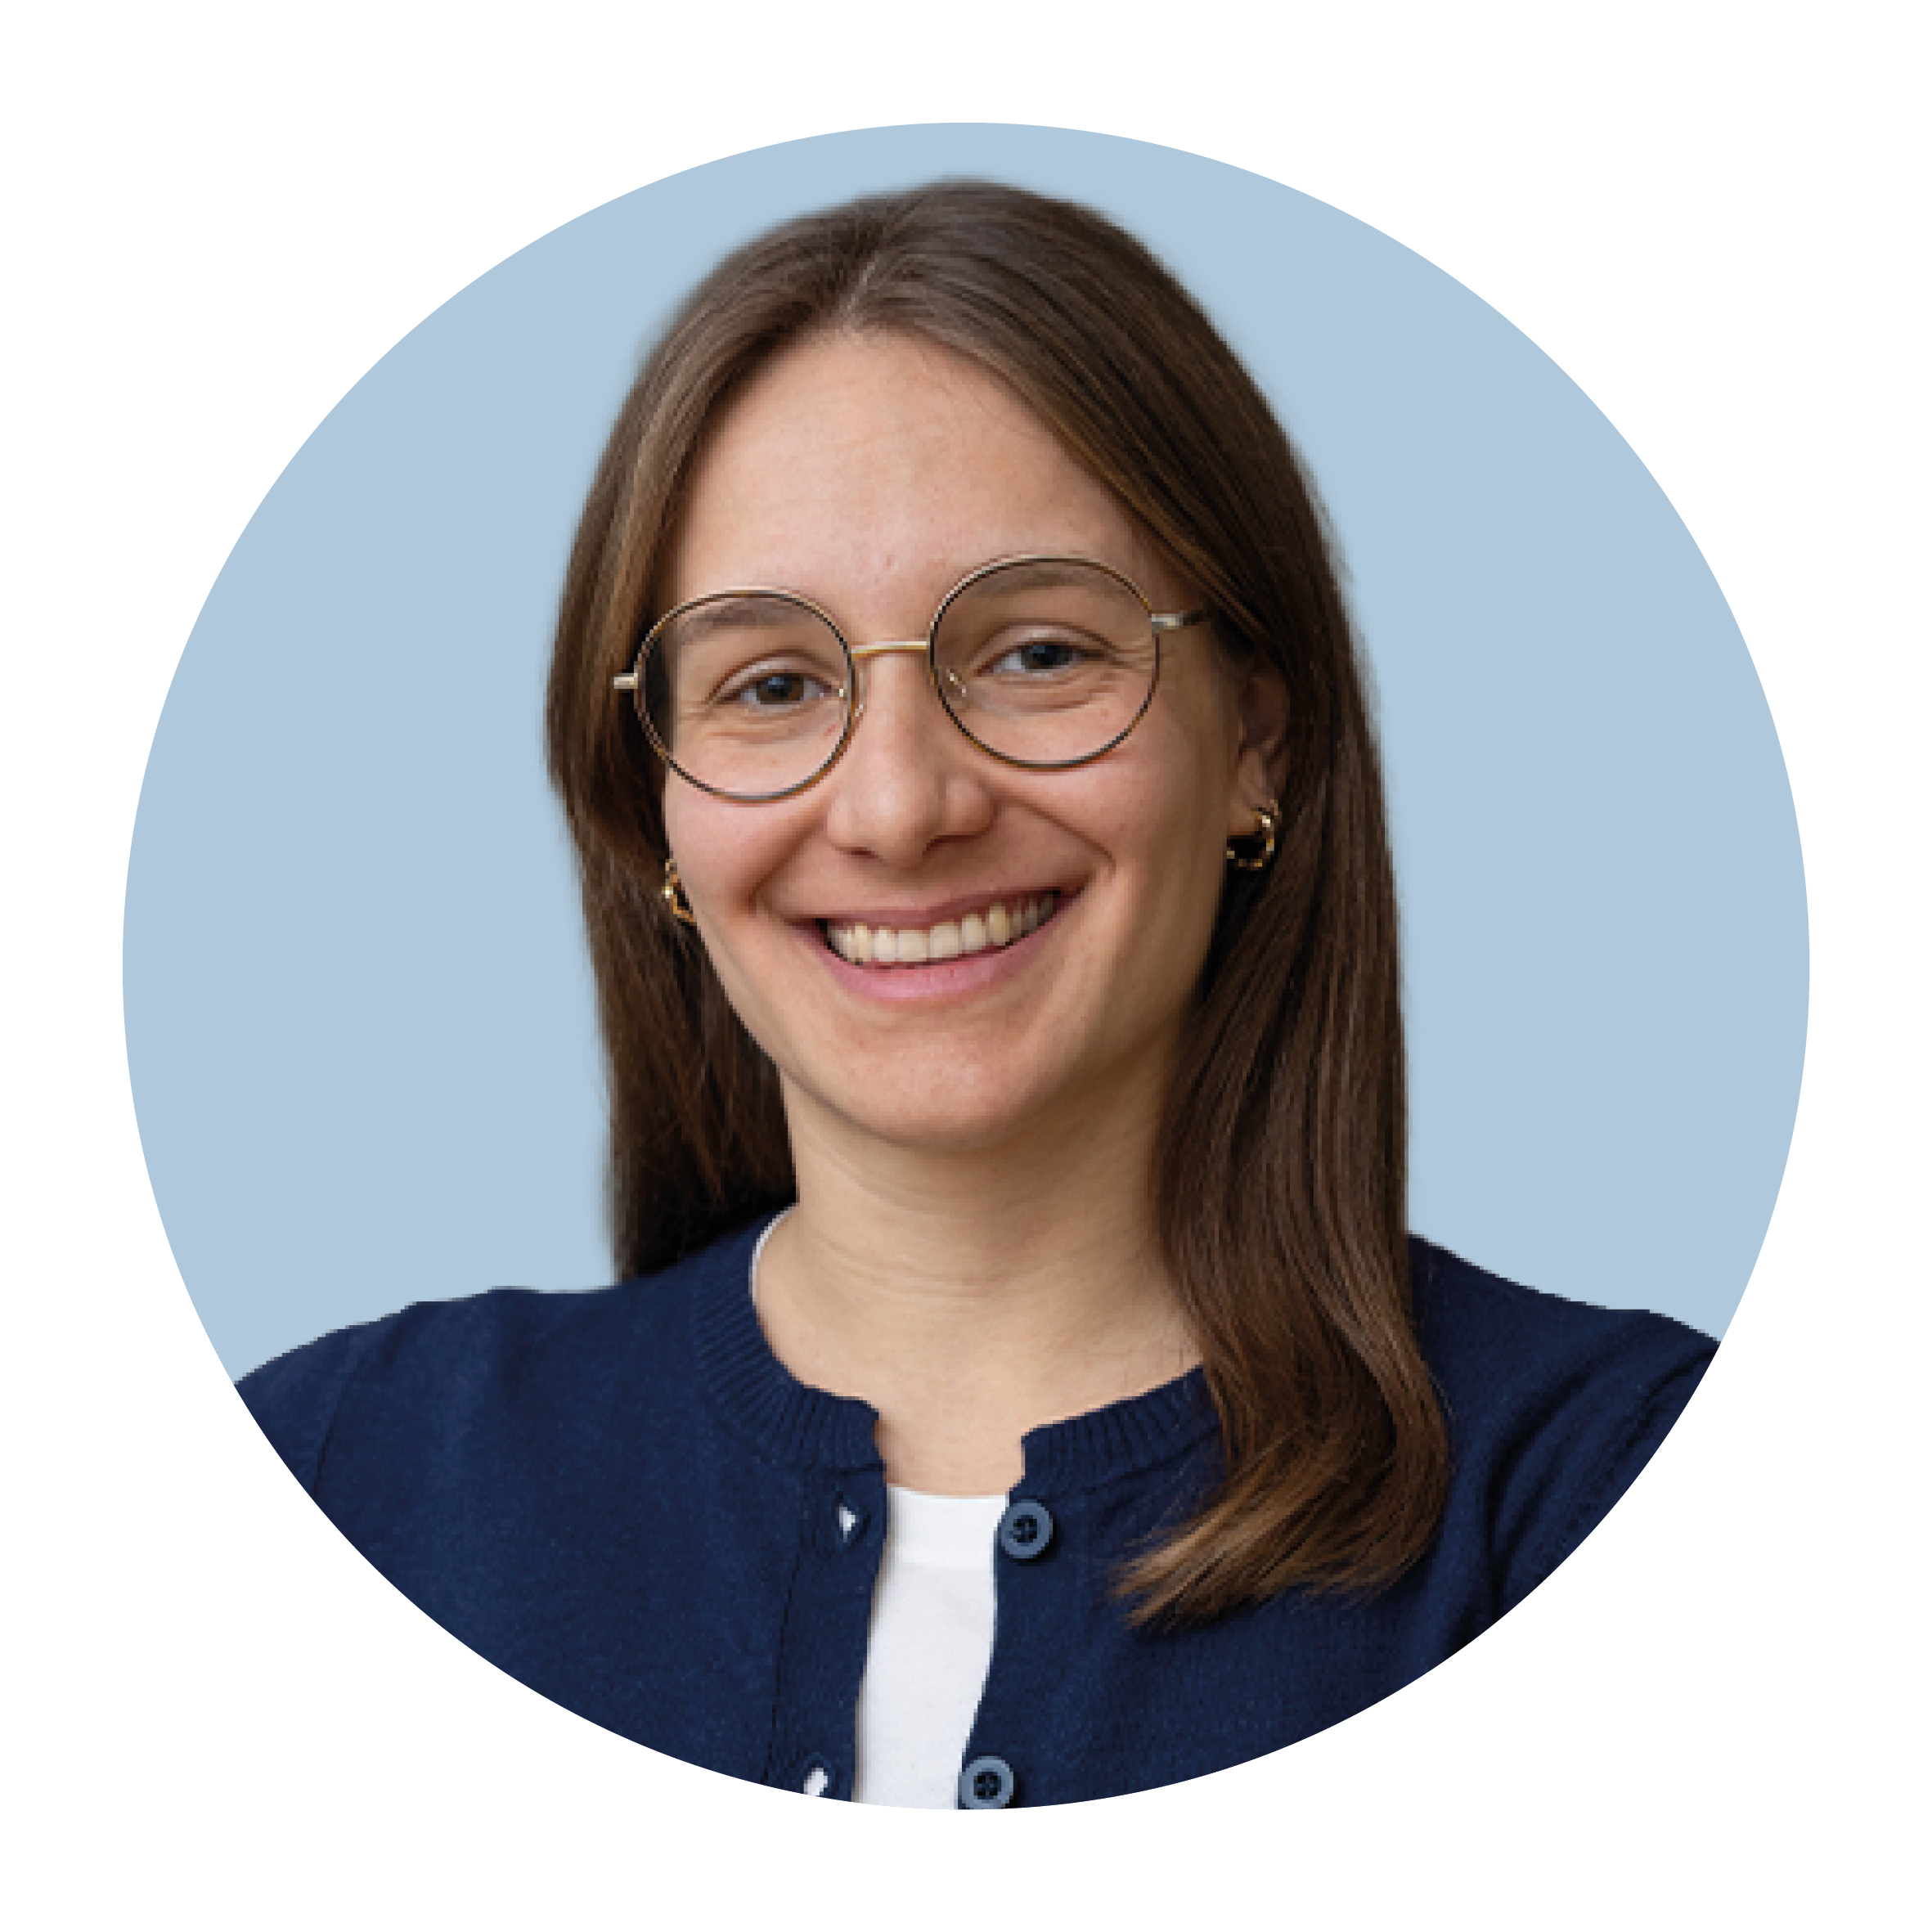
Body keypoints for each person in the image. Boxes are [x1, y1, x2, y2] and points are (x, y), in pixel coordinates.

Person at [240, 181, 1714, 1809]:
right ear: (649, 808)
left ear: (1254, 744)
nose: (894, 805)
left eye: (1034, 653)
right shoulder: (335, 1476)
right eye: (771, 683)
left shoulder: (1627, 1487)